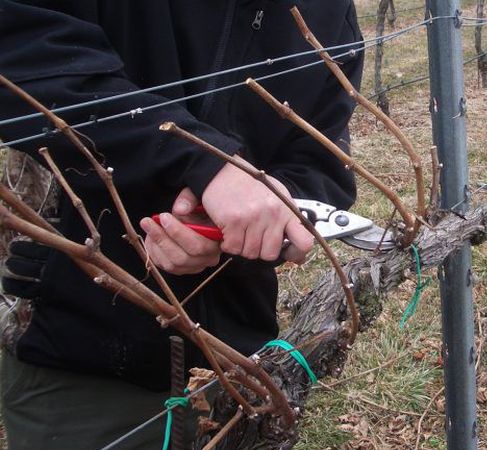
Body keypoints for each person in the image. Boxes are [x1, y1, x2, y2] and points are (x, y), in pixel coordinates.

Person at [0, 1, 363, 448]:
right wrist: (200, 163)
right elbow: (23, 47)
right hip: (80, 361)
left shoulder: (326, 12)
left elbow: (320, 165)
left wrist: (245, 226)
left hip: (238, 364)